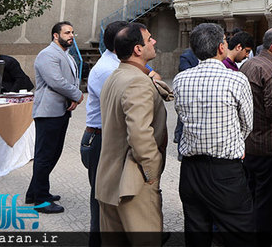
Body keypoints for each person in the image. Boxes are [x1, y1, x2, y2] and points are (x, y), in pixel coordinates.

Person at [174, 23, 254, 247]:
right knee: (240, 232)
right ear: (221, 47)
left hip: (191, 170)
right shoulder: (236, 79)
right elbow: (247, 125)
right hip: (225, 171)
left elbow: (181, 114)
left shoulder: (181, 80)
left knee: (196, 232)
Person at [96, 23, 169, 245]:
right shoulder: (137, 81)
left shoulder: (117, 75)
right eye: (149, 40)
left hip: (109, 182)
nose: (154, 42)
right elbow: (139, 135)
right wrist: (152, 170)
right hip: (132, 185)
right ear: (138, 49)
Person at [239, 26, 272, 247]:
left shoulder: (248, 65)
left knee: (250, 199)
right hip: (269, 149)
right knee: (268, 205)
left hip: (249, 145)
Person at [25, 21, 83, 213]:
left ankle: (34, 192)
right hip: (48, 112)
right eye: (67, 32)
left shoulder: (66, 55)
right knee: (45, 156)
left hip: (61, 110)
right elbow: (56, 81)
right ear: (55, 36)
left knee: (52, 154)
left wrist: (71, 96)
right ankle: (41, 200)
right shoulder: (47, 54)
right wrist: (77, 95)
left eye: (72, 32)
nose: (71, 35)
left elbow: (69, 80)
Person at [81, 20, 128, 247]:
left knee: (110, 198)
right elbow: (124, 105)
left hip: (106, 137)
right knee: (101, 200)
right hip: (99, 139)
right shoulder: (109, 69)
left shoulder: (117, 64)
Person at [174, 46, 200, 159]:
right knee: (182, 122)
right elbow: (184, 73)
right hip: (189, 96)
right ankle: (181, 150)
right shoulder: (187, 56)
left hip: (203, 97)